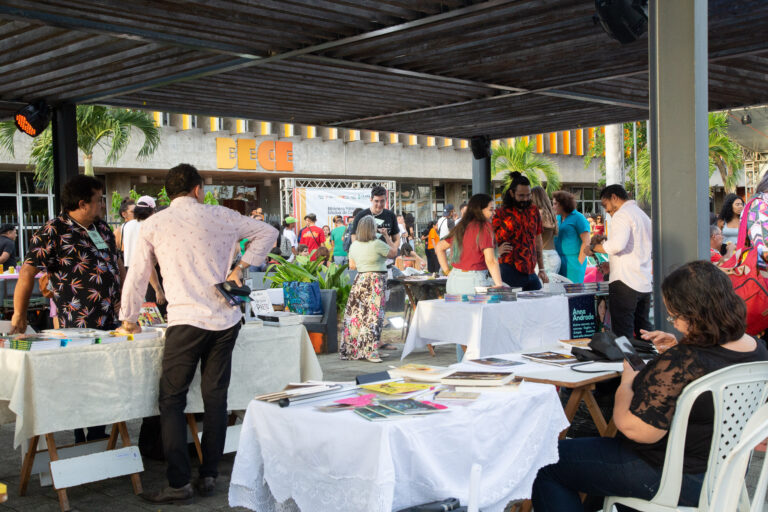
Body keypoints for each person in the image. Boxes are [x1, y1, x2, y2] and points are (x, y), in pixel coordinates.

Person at [531, 261, 768, 511]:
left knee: (544, 461)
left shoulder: (683, 363)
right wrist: (679, 347)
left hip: (670, 477)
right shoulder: (756, 350)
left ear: (695, 314)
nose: (674, 324)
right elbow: (712, 364)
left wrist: (627, 382)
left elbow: (639, 431)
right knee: (589, 468)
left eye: (675, 316)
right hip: (723, 477)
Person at [118, 164, 276, 503]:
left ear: (169, 192)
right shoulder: (220, 215)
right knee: (215, 398)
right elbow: (268, 233)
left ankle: (179, 482)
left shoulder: (153, 223)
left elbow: (137, 274)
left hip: (185, 318)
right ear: (196, 189)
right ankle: (208, 475)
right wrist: (240, 267)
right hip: (225, 319)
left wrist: (128, 317)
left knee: (172, 400)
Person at [13, 175, 123, 442]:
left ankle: (98, 434)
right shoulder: (53, 230)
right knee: (81, 378)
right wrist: (19, 314)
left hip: (111, 318)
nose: (103, 206)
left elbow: (116, 264)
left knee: (105, 377)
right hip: (77, 322)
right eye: (99, 201)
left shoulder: (102, 229)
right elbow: (28, 273)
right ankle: (80, 435)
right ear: (83, 203)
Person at [437, 194, 506, 361]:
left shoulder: (462, 226)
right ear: (479, 210)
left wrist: (447, 271)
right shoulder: (484, 227)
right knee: (477, 331)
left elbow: (439, 247)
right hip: (474, 282)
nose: (493, 213)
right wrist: (499, 284)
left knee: (462, 331)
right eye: (490, 209)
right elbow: (490, 259)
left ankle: (464, 365)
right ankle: (475, 365)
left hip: (454, 281)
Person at [590, 184, 652, 341]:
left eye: (606, 206)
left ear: (614, 198)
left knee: (623, 335)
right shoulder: (642, 215)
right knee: (644, 333)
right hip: (643, 281)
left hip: (625, 282)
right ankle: (649, 362)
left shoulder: (621, 214)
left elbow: (616, 245)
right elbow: (636, 249)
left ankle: (626, 364)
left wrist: (594, 248)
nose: (607, 212)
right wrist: (612, 264)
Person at [340, 215, 398, 363]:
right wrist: (386, 235)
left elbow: (352, 265)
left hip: (360, 280)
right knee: (373, 317)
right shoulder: (377, 244)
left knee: (357, 317)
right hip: (375, 281)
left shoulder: (354, 245)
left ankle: (354, 349)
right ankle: (370, 351)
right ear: (373, 229)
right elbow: (393, 252)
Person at [492, 172, 548, 290]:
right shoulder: (501, 213)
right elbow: (488, 240)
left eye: (528, 195)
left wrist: (542, 268)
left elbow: (538, 239)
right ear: (512, 193)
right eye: (521, 195)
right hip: (508, 268)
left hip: (530, 269)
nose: (525, 199)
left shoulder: (533, 211)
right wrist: (496, 251)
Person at [553, 190, 591, 283]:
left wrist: (579, 262)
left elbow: (586, 241)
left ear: (563, 204)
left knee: (573, 292)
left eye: (555, 204)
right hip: (558, 260)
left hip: (573, 261)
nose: (553, 207)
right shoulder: (557, 217)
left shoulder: (578, 217)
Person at [531, 186, 560, 276]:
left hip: (543, 258)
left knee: (539, 289)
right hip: (553, 255)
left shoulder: (538, 213)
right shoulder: (550, 213)